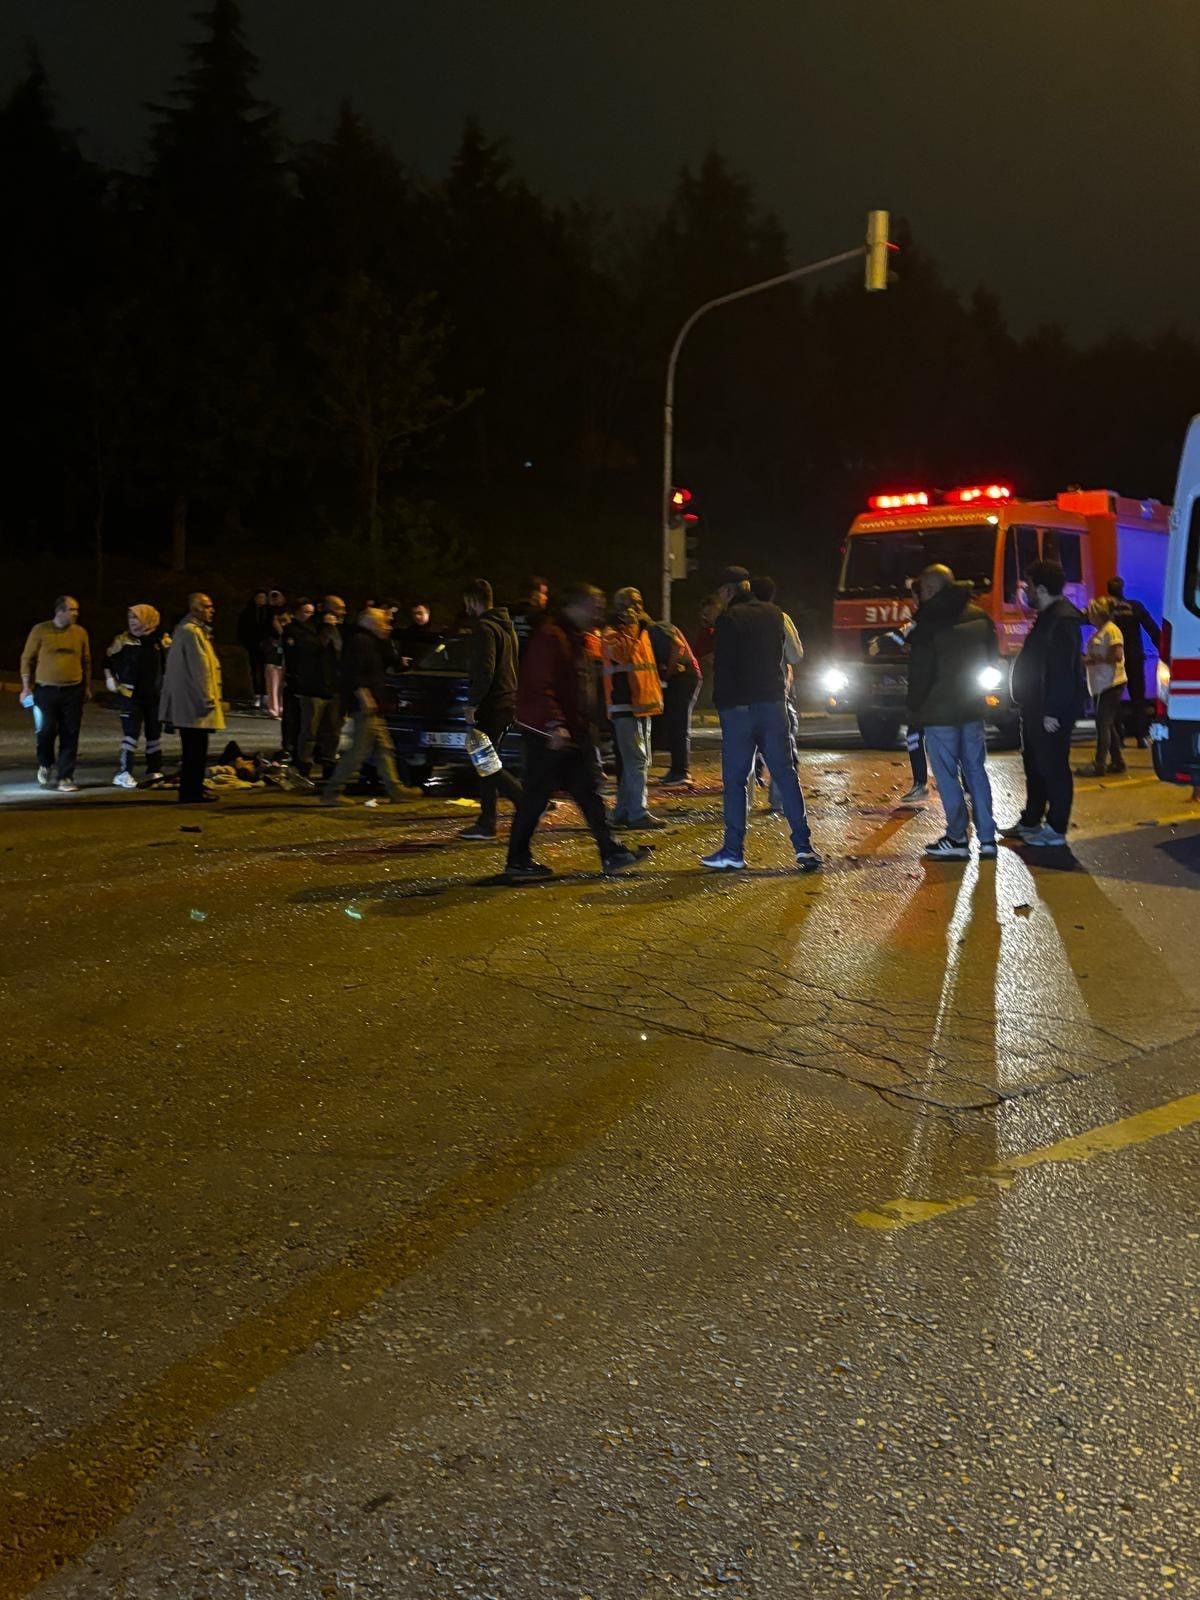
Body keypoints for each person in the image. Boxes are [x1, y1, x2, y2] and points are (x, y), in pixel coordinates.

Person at [504, 583, 643, 881]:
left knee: (587, 792)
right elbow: (540, 684)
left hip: (566, 731)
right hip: (548, 732)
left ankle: (610, 850)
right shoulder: (551, 636)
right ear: (577, 606)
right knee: (536, 797)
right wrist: (556, 724)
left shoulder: (571, 637)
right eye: (595, 605)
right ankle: (517, 860)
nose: (599, 612)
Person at [701, 566, 821, 872]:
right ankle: (804, 847)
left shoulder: (728, 619)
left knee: (736, 781)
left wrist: (722, 702)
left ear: (728, 592)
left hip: (739, 709)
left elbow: (724, 665)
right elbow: (792, 656)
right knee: (785, 774)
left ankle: (733, 850)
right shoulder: (775, 614)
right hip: (773, 704)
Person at [904, 564, 999, 861]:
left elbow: (920, 673)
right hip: (972, 707)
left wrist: (913, 708)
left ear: (931, 589)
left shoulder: (928, 622)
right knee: (976, 771)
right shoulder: (979, 616)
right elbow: (991, 660)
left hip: (939, 711)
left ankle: (957, 837)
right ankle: (987, 839)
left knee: (946, 775)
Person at [1003, 560, 1086, 849]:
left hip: (1050, 710)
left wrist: (1053, 710)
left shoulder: (1062, 620)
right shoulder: (1049, 615)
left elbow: (1062, 669)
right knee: (1035, 765)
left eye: (1027, 586)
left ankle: (1056, 827)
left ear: (1040, 588)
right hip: (1035, 705)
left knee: (1053, 767)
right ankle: (1031, 820)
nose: (1024, 592)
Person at [321, 608, 407, 806]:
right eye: (382, 623)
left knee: (384, 749)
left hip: (373, 704)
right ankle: (332, 792)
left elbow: (388, 661)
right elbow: (353, 673)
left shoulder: (372, 642)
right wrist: (364, 695)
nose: (387, 627)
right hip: (365, 704)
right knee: (358, 751)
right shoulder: (360, 642)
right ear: (370, 624)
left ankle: (395, 789)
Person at [459, 579, 523, 840]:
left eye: (467, 603)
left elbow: (486, 669)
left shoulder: (485, 628)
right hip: (506, 701)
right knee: (486, 760)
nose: (466, 608)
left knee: (485, 760)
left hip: (492, 703)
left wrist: (473, 702)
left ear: (474, 600)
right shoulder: (507, 627)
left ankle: (523, 802)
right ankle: (487, 822)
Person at [601, 587, 666, 831]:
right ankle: (638, 812)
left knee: (639, 761)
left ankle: (622, 812)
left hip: (642, 707)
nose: (638, 608)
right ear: (620, 607)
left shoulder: (643, 630)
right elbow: (623, 655)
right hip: (624, 707)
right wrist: (631, 627)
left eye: (639, 602)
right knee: (637, 760)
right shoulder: (611, 632)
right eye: (632, 603)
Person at [20, 595, 91, 793]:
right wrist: (26, 687)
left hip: (73, 690)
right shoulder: (41, 630)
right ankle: (45, 762)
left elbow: (86, 661)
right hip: (46, 690)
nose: (76, 614)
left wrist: (86, 687)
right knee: (45, 731)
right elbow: (27, 658)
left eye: (77, 610)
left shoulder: (80, 632)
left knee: (70, 732)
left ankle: (65, 776)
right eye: (72, 610)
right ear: (60, 611)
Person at [160, 593, 225, 804]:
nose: (212, 610)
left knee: (195, 749)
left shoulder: (189, 630)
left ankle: (194, 788)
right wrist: (208, 697)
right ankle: (191, 791)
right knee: (195, 750)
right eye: (207, 606)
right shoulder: (191, 632)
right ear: (196, 609)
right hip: (194, 702)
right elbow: (201, 669)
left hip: (190, 700)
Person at [750, 577, 804, 814]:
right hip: (774, 692)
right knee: (781, 749)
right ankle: (779, 801)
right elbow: (795, 655)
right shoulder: (780, 618)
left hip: (742, 694)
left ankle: (743, 801)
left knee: (745, 750)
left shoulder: (735, 617)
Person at [105, 604, 170, 788]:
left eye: (136, 618)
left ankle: (154, 770)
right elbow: (108, 660)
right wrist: (110, 678)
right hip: (130, 695)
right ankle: (124, 772)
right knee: (131, 735)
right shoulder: (123, 640)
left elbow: (169, 665)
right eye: (130, 618)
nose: (132, 622)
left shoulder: (160, 640)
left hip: (154, 696)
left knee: (154, 735)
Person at [1106, 575, 1160, 748]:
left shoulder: (1104, 608)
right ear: (1122, 589)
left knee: (1114, 699)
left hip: (1113, 659)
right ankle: (1141, 737)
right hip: (1135, 657)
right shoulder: (1135, 607)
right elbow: (1151, 627)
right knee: (1138, 699)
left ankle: (1119, 738)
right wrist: (1163, 646)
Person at [649, 613, 701, 785]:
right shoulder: (654, 631)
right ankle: (676, 769)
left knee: (678, 723)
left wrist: (668, 673)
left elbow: (676, 645)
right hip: (679, 677)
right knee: (669, 723)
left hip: (684, 677)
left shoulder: (654, 629)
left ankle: (681, 771)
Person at [1078, 596, 1127, 777]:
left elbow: (1117, 655)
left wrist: (1096, 659)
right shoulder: (1099, 631)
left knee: (1102, 723)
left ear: (1098, 614)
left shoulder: (1111, 631)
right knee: (1108, 724)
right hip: (1100, 684)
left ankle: (1099, 764)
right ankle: (1117, 761)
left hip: (1111, 683)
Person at [236, 590, 270, 708]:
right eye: (259, 597)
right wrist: (247, 643)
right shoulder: (248, 612)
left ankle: (266, 695)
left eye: (263, 597)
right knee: (255, 670)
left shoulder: (269, 612)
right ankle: (257, 695)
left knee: (267, 671)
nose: (261, 600)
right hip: (253, 646)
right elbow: (242, 629)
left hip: (267, 647)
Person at [511, 576, 550, 655]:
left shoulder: (508, 614)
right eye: (543, 593)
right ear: (534, 595)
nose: (546, 598)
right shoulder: (540, 619)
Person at [395, 602, 440, 668]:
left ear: (428, 613)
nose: (417, 616)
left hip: (434, 669)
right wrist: (401, 660)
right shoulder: (408, 632)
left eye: (420, 613)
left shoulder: (438, 630)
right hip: (412, 670)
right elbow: (403, 650)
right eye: (414, 614)